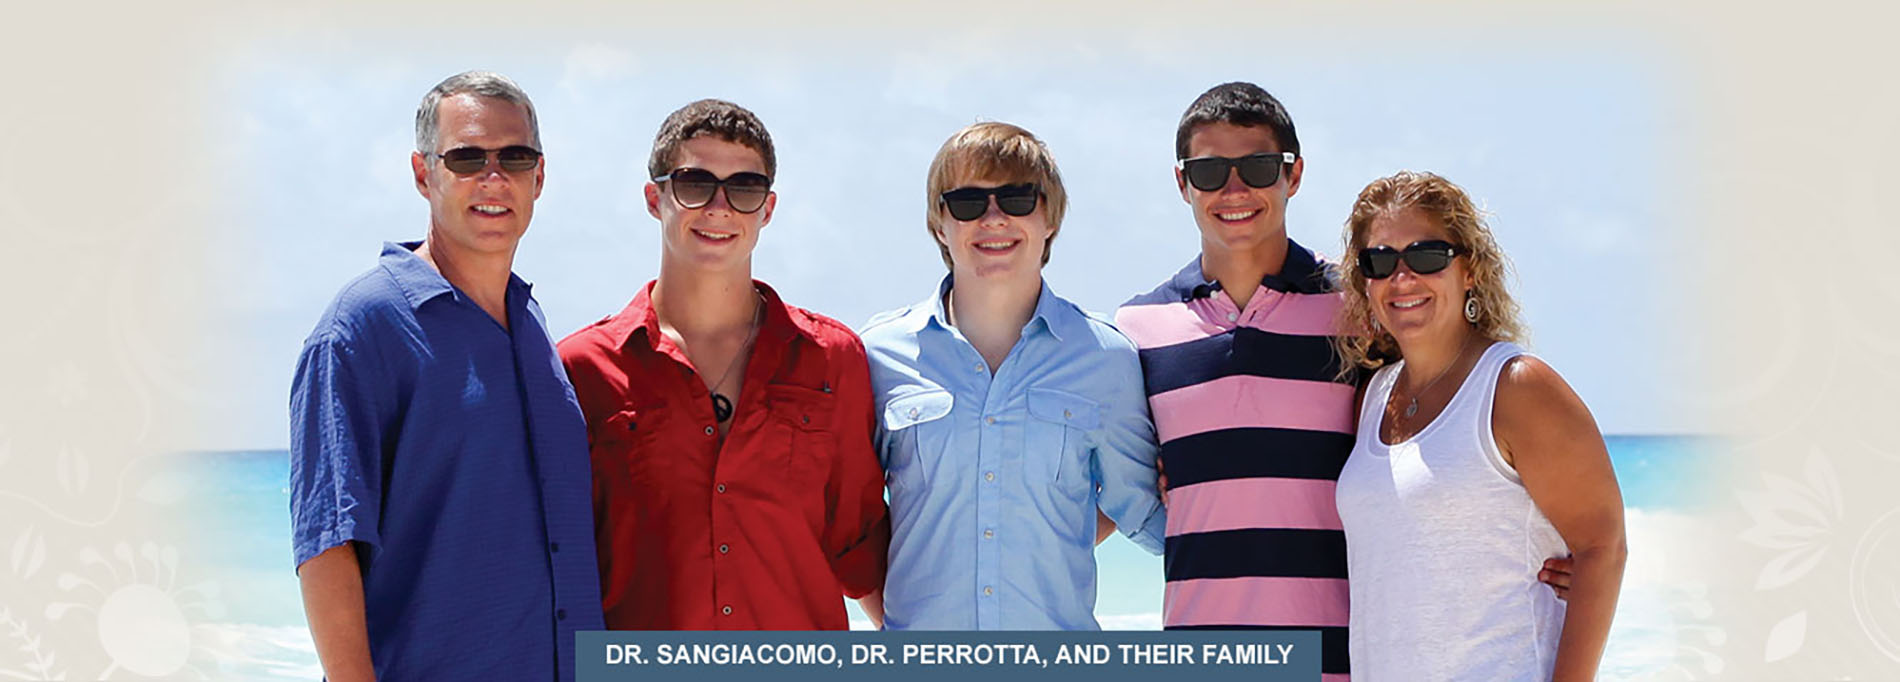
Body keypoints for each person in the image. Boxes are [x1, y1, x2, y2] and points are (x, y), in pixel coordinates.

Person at [1114, 82, 1575, 681]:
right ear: (1182, 183)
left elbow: (1445, 443)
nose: (1234, 189)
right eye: (1209, 171)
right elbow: (1113, 477)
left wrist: (1561, 549)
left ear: (1294, 174)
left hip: (1346, 662)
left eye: (1256, 166)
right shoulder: (1138, 328)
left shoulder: (1361, 313)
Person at [288, 71, 603, 682]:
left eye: (514, 157)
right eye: (466, 158)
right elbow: (327, 542)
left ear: (539, 178)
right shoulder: (360, 329)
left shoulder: (531, 322)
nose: (494, 177)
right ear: (422, 172)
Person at [558, 99, 889, 630]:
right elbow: (560, 561)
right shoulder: (582, 370)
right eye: (694, 183)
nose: (719, 208)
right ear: (654, 198)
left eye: (744, 188)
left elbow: (859, 544)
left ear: (768, 208)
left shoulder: (833, 359)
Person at [860, 122, 1166, 630]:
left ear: (1050, 218)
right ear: (940, 224)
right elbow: (849, 526)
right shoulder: (878, 355)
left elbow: (1140, 511)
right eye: (967, 203)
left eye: (1018, 199)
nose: (994, 218)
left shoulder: (1108, 360)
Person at [1332, 171, 1626, 681]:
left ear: (1469, 270)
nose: (1402, 279)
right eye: (1380, 262)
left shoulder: (1515, 387)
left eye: (1426, 256)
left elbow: (1604, 547)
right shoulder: (1373, 398)